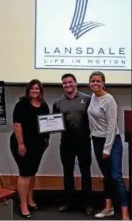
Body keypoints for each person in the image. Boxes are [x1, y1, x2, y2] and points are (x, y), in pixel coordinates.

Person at [87, 71, 129, 220]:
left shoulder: (109, 99)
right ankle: (108, 208)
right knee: (107, 176)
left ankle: (125, 213)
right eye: (93, 81)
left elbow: (112, 126)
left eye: (98, 81)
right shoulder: (92, 97)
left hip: (111, 140)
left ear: (103, 83)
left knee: (116, 176)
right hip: (97, 140)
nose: (95, 84)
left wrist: (107, 148)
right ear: (89, 83)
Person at [53, 73, 93, 215]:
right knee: (67, 173)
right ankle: (68, 202)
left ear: (75, 83)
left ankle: (88, 204)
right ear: (62, 85)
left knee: (86, 173)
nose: (68, 85)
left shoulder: (87, 99)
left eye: (70, 82)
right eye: (65, 83)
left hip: (84, 142)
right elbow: (54, 122)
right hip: (66, 143)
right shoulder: (58, 103)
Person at [10, 79, 50, 219]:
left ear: (40, 91)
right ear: (28, 90)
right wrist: (21, 144)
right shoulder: (21, 104)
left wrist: (46, 141)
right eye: (32, 88)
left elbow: (47, 124)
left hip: (38, 144)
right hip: (22, 144)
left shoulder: (44, 105)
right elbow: (17, 125)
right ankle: (23, 204)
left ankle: (30, 199)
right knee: (25, 173)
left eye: (37, 89)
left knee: (32, 173)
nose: (35, 91)